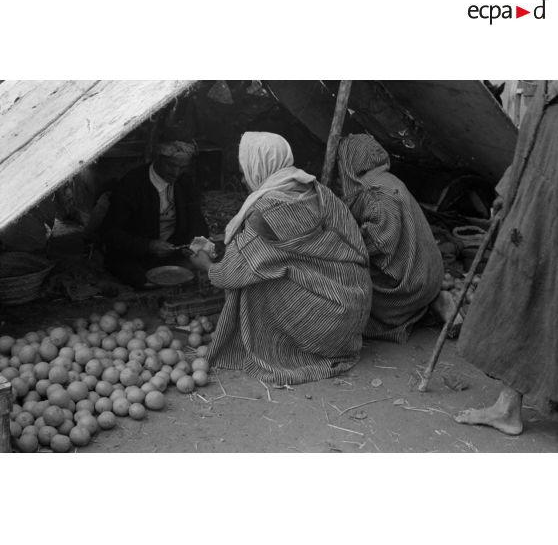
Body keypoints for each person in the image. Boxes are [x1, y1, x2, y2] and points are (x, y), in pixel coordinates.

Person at [190, 132, 372, 385]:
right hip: (353, 311)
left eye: (244, 170)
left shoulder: (266, 212)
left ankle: (278, 345)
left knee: (252, 281)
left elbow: (229, 274)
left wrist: (206, 265)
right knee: (269, 265)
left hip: (322, 330)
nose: (243, 178)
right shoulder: (318, 191)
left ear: (260, 167)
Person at [455, 80, 558, 435]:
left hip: (548, 223)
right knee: (516, 302)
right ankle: (507, 405)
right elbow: (526, 153)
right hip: (531, 219)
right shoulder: (546, 94)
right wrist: (506, 188)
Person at [336, 133, 450, 344]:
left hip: (411, 288)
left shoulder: (375, 192)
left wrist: (336, 244)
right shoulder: (387, 179)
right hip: (429, 277)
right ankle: (432, 305)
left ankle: (402, 313)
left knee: (340, 285)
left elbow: (379, 242)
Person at [100, 140, 209, 288]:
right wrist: (148, 246)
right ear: (157, 158)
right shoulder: (132, 184)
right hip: (136, 253)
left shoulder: (184, 181)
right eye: (171, 165)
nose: (176, 173)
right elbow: (109, 232)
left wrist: (196, 244)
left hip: (171, 253)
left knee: (195, 273)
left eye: (182, 167)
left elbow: (197, 221)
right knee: (142, 280)